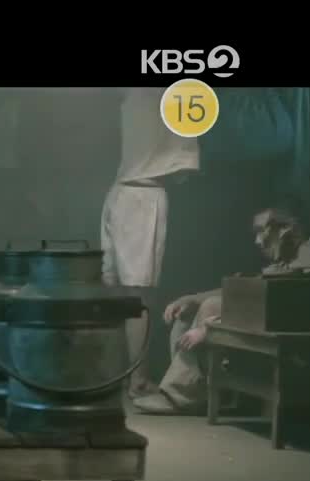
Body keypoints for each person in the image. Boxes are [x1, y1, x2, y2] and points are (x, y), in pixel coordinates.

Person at [134, 207, 310, 415]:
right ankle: (190, 392)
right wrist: (192, 299)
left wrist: (210, 328)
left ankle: (183, 394)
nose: (257, 241)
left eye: (261, 231)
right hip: (260, 329)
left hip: (290, 345)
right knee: (188, 313)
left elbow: (282, 309)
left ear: (284, 230)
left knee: (211, 306)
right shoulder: (283, 261)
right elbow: (243, 292)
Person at [100, 87, 201, 397]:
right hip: (140, 195)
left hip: (125, 190)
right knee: (137, 295)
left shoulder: (149, 94)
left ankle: (119, 377)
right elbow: (183, 173)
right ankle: (135, 380)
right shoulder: (173, 94)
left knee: (122, 292)